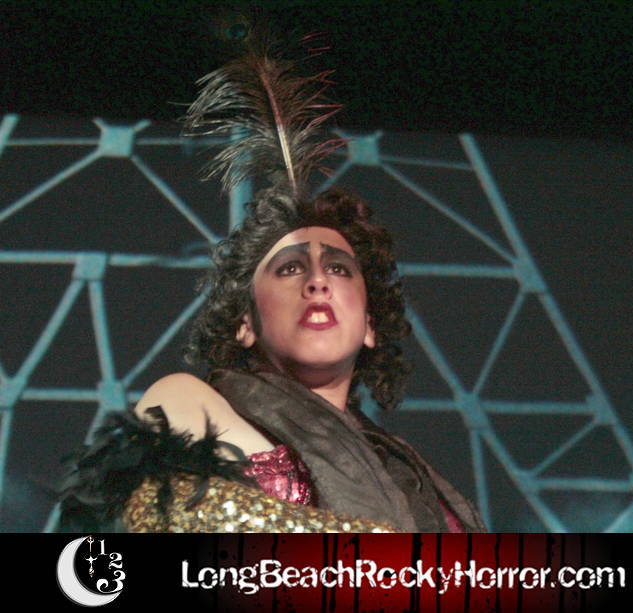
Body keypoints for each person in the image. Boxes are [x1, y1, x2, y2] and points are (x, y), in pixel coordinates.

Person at [59, 29, 484, 534]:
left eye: (339, 268)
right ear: (244, 323)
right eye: (290, 268)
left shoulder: (413, 475)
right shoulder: (187, 403)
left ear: (370, 325)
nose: (318, 282)